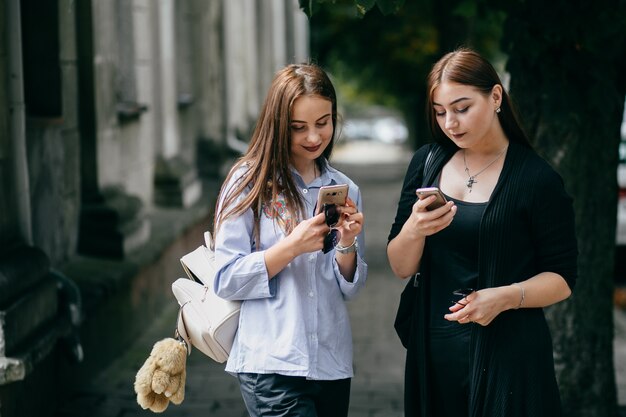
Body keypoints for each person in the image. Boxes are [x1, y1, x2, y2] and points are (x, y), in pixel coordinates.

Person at [387, 48, 578, 417]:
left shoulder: (537, 179)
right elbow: (400, 266)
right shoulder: (427, 163)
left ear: (495, 97)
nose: (450, 123)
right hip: (434, 353)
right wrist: (415, 228)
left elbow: (563, 278)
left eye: (461, 108)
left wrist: (505, 297)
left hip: (509, 358)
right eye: (440, 112)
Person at [213, 63, 367, 417]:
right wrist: (291, 247)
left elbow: (350, 289)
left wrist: (346, 243)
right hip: (271, 363)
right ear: (278, 125)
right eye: (298, 128)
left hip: (331, 363)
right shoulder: (248, 182)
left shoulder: (346, 189)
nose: (313, 137)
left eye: (323, 123)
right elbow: (224, 278)